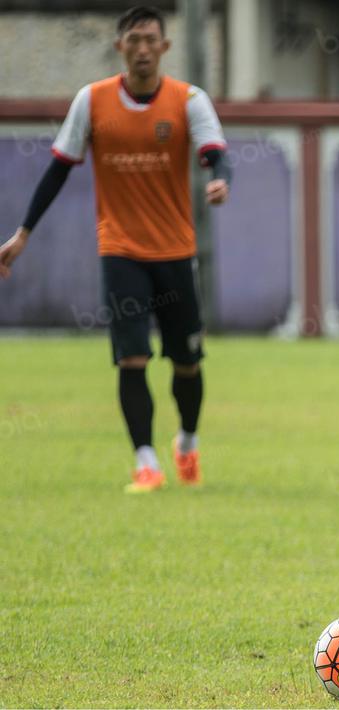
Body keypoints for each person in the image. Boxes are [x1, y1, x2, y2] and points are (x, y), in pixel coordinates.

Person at [0, 6, 231, 493]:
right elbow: (58, 169)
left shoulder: (189, 100)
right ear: (119, 47)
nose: (142, 49)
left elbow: (216, 154)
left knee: (187, 362)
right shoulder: (92, 100)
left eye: (150, 40)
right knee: (131, 358)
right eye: (133, 40)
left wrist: (219, 179)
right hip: (120, 249)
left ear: (164, 47)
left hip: (175, 252)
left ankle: (187, 443)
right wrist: (23, 233)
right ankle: (146, 462)